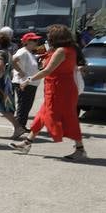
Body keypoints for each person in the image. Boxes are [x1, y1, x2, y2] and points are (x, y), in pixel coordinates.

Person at [13, 24, 87, 161]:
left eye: (50, 35)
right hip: (60, 87)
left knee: (67, 117)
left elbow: (47, 70)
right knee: (42, 115)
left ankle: (80, 149)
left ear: (56, 37)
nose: (48, 37)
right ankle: (27, 143)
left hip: (60, 89)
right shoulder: (70, 49)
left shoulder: (61, 51)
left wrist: (28, 80)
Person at [11, 32, 44, 134]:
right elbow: (13, 60)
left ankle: (21, 126)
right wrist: (20, 71)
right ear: (27, 42)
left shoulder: (30, 53)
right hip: (23, 82)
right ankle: (18, 127)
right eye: (33, 40)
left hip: (30, 83)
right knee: (23, 106)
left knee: (26, 106)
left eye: (36, 40)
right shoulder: (23, 52)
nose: (36, 42)